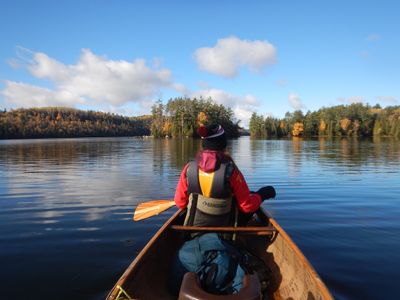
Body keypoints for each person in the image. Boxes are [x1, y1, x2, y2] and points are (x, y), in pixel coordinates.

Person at [174, 123, 276, 229]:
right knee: (250, 197)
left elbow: (180, 203)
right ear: (223, 145)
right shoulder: (231, 171)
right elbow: (247, 206)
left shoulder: (188, 169)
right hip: (225, 230)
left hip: (193, 230)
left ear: (204, 144)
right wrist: (262, 195)